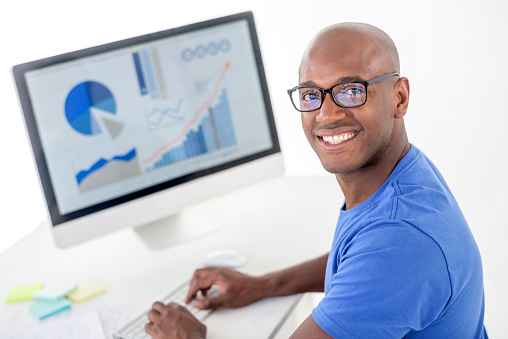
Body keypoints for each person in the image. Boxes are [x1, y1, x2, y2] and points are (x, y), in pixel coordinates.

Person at [145, 22, 487, 339]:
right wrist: (264, 284)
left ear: (399, 97)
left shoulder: (400, 241)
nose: (327, 114)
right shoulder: (405, 175)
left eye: (351, 90)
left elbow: (383, 261)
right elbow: (361, 263)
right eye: (311, 95)